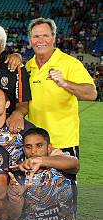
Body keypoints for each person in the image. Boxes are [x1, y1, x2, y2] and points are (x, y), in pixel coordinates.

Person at [25, 17, 97, 156]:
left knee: (64, 178)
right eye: (36, 36)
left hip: (64, 142)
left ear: (53, 38)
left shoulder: (70, 63)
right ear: (30, 40)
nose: (40, 40)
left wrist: (65, 83)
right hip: (36, 142)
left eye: (45, 35)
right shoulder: (28, 66)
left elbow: (91, 93)